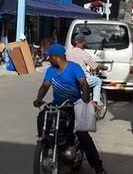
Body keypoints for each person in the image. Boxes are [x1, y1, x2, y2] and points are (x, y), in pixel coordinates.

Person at [34, 44, 107, 174]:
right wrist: (38, 99)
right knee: (42, 116)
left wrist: (85, 100)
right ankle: (45, 141)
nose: (48, 59)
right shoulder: (51, 71)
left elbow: (84, 84)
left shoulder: (74, 68)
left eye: (49, 56)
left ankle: (98, 166)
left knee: (83, 136)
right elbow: (45, 87)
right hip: (58, 105)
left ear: (56, 57)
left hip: (74, 104)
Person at [67, 34, 107, 106]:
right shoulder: (84, 53)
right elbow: (94, 67)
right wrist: (104, 67)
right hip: (80, 79)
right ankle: (95, 102)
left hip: (68, 78)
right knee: (98, 81)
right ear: (82, 42)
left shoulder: (68, 52)